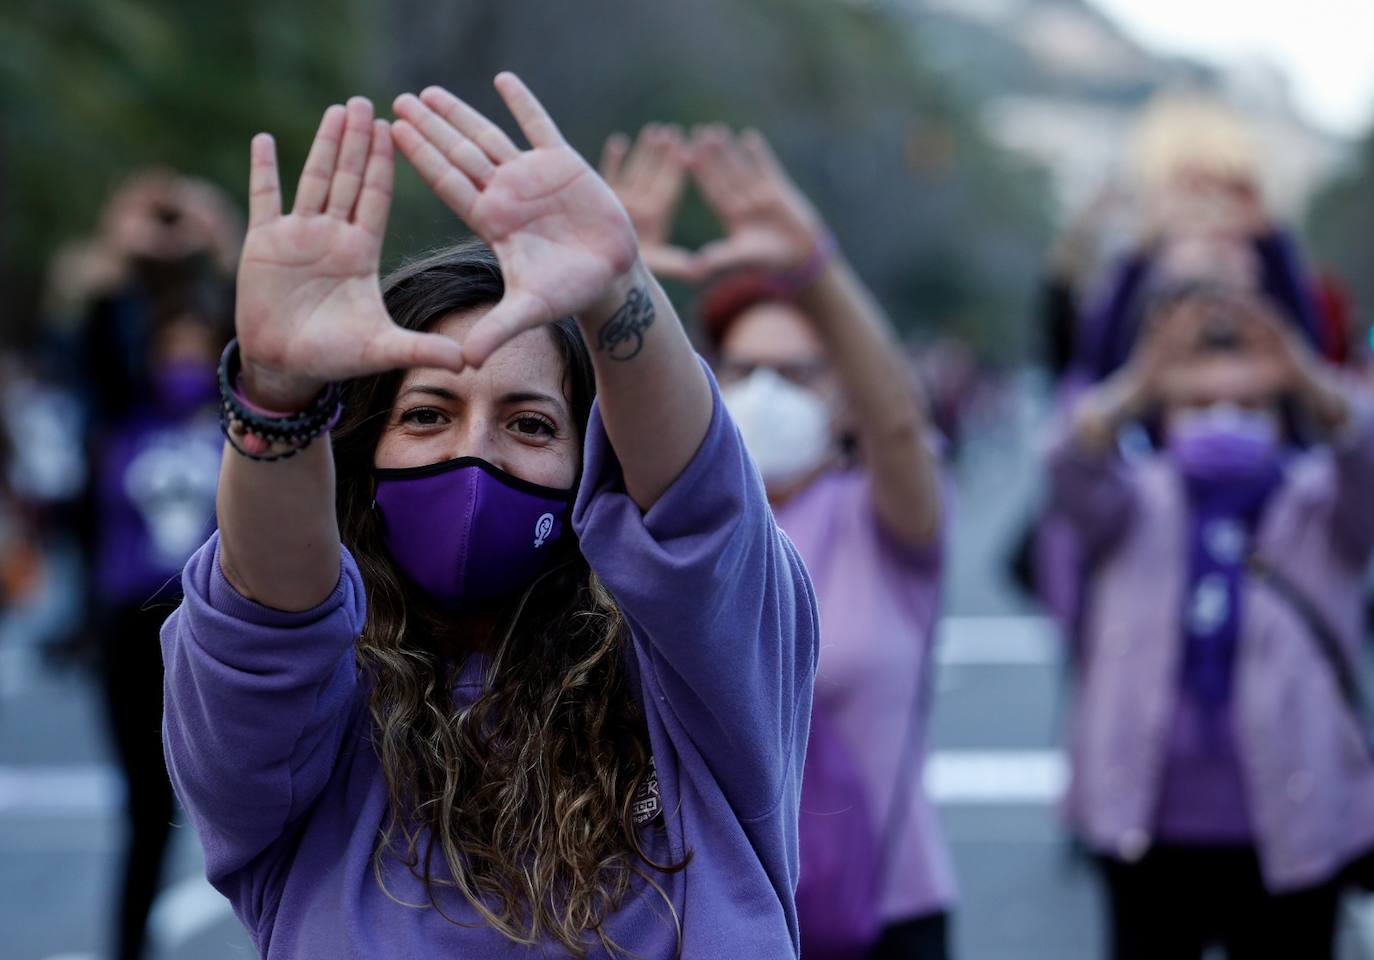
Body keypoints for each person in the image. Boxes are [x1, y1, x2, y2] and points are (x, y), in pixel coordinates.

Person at [161, 76, 817, 959]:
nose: (478, 453)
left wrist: (617, 285)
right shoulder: (304, 731)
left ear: (593, 463)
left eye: (531, 423)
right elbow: (262, 628)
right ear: (362, 454)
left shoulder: (698, 690)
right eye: (427, 414)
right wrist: (275, 396)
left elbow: (701, 520)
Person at [601, 121, 953, 958]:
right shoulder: (664, 532)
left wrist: (815, 271)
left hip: (885, 911)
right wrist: (618, 282)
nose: (767, 392)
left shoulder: (887, 519)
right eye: (745, 369)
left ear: (841, 397)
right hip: (698, 913)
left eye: (797, 373)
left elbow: (899, 423)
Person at [1049, 283, 1374, 959]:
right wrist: (1139, 380)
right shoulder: (1133, 500)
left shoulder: (1321, 504)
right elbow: (1065, 462)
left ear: (1283, 415)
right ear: (1163, 417)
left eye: (1249, 404)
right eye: (1198, 404)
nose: (1223, 419)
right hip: (1146, 824)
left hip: (1297, 825)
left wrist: (1307, 375)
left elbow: (1365, 457)